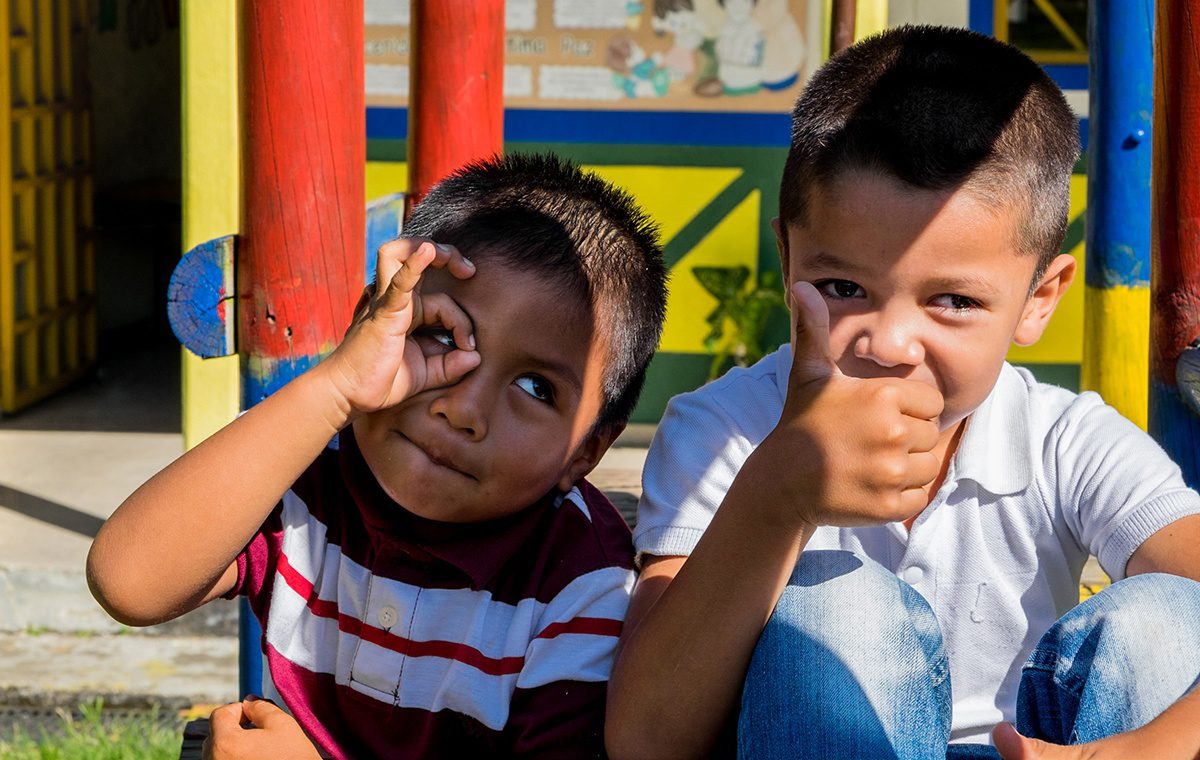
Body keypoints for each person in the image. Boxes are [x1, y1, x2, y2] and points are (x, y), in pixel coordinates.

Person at [606, 25, 1200, 760]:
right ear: (787, 254)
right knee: (839, 608)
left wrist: (1160, 743)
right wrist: (779, 494)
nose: (887, 343)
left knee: (1170, 615)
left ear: (1040, 300)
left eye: (951, 300)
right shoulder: (725, 429)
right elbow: (645, 739)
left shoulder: (1062, 439)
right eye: (843, 287)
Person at [86, 153, 668, 759]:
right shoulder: (310, 470)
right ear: (373, 323)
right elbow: (129, 583)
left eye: (534, 388)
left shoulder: (580, 591)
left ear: (589, 451)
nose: (463, 410)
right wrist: (336, 386)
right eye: (441, 336)